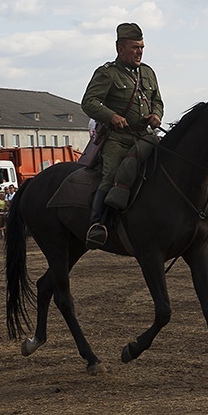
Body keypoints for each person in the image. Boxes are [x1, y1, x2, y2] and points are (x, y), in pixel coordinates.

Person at [81, 22, 164, 247]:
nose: (139, 52)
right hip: (117, 138)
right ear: (120, 49)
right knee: (112, 175)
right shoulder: (107, 73)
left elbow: (157, 100)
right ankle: (97, 224)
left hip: (144, 136)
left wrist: (156, 115)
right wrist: (111, 116)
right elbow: (88, 102)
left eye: (142, 47)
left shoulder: (148, 72)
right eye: (135, 47)